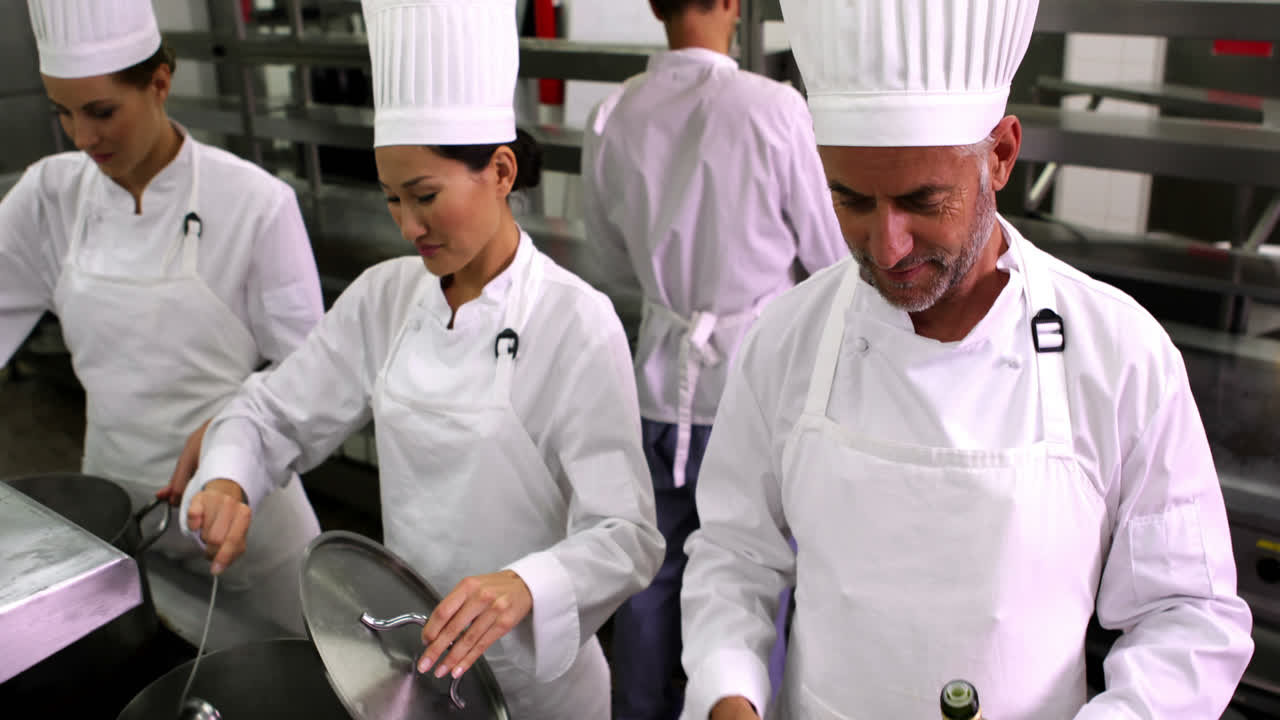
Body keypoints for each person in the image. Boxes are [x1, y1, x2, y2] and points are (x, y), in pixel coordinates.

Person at [678, 0, 1255, 718]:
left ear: (1002, 156)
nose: (886, 246)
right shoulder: (787, 338)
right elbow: (735, 555)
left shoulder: (1118, 353)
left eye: (923, 202)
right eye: (852, 201)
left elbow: (1186, 614)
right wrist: (728, 690)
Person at [177, 0, 664, 717]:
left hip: (538, 691)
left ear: (501, 171)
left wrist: (529, 584)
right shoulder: (386, 299)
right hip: (413, 676)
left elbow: (626, 534)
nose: (408, 226)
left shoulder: (573, 319)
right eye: (392, 200)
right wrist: (227, 480)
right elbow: (272, 410)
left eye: (426, 196)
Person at [0, 0, 323, 640]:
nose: (82, 137)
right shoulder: (50, 196)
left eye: (101, 111)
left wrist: (233, 447)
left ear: (159, 83)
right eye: (63, 113)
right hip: (118, 520)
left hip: (246, 525)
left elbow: (311, 375)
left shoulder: (257, 202)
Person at [581, 2, 846, 717]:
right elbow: (833, 261)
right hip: (752, 394)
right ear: (734, 3)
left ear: (654, 4)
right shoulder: (775, 109)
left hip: (656, 390)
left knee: (648, 576)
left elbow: (607, 261)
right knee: (753, 577)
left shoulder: (613, 115)